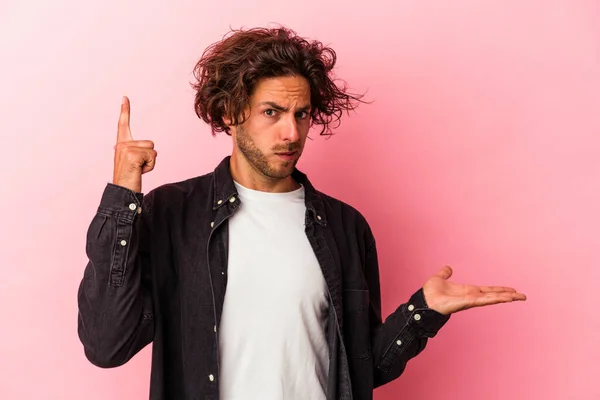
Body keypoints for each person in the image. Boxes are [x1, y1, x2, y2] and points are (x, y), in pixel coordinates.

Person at [77, 26, 526, 400]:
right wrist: (123, 196)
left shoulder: (345, 227)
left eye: (302, 114)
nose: (291, 132)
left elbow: (362, 369)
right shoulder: (175, 214)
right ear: (231, 113)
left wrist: (423, 310)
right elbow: (106, 345)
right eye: (271, 112)